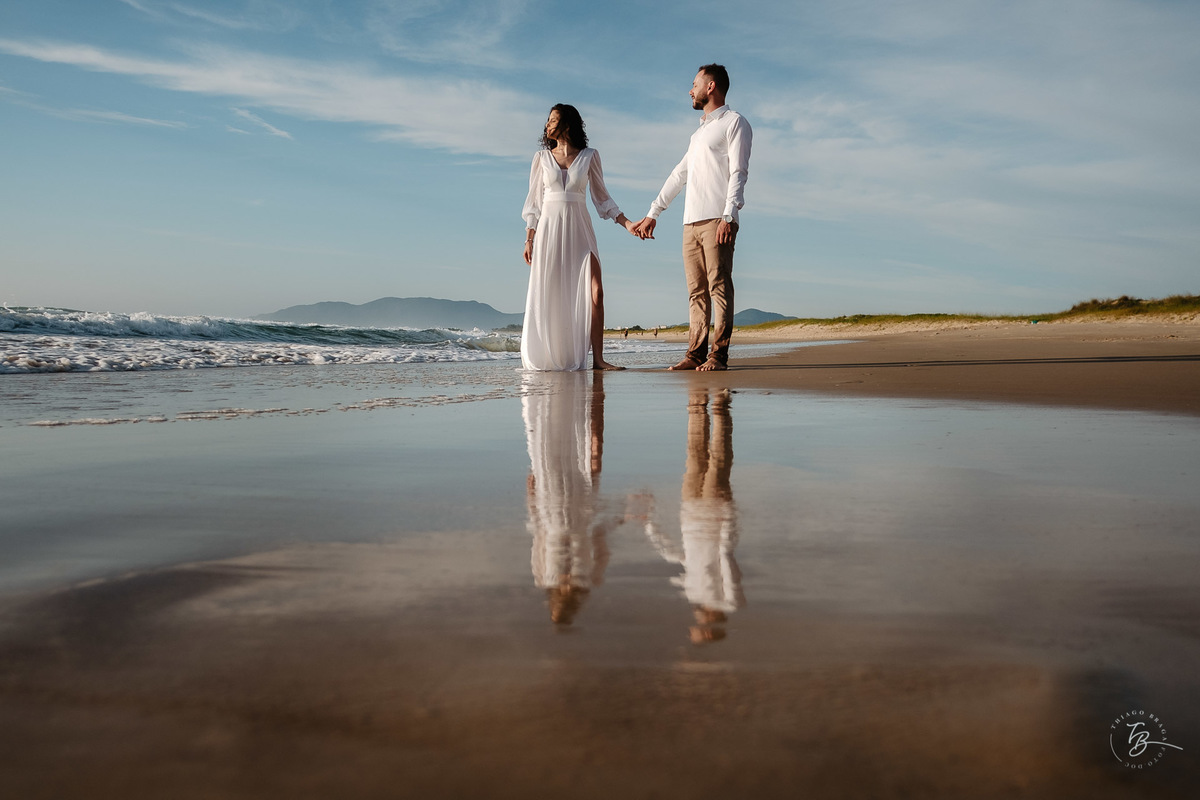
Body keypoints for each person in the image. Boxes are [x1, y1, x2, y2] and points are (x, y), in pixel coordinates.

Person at [633, 64, 752, 372]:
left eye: (695, 84)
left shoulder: (734, 122)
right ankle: (695, 354)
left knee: (719, 287)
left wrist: (729, 214)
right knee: (696, 292)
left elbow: (739, 172)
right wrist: (653, 213)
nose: (691, 90)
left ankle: (718, 356)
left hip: (718, 219)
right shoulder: (698, 134)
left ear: (711, 86)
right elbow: (679, 175)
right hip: (690, 223)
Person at [522, 104, 639, 371]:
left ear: (567, 124)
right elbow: (534, 204)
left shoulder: (589, 156)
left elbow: (602, 198)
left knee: (597, 292)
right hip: (549, 233)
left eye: (552, 120)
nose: (547, 125)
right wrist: (529, 239)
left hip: (580, 231)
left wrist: (627, 224)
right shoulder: (541, 158)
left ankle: (598, 360)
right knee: (552, 294)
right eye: (548, 120)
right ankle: (553, 354)